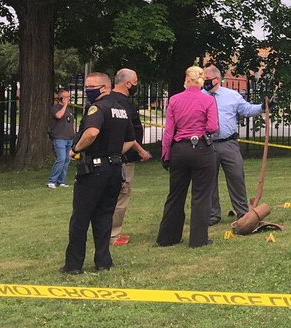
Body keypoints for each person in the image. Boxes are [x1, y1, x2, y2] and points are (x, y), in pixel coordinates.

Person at [61, 72, 137, 274]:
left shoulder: (97, 108)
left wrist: (76, 149)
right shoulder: (121, 109)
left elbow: (92, 132)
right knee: (104, 216)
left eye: (90, 86)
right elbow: (131, 140)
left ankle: (73, 265)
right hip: (114, 168)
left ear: (105, 87)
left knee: (81, 217)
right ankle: (103, 262)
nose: (87, 90)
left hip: (94, 169)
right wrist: (113, 153)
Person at [156, 66, 219, 248]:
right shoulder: (207, 101)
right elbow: (213, 127)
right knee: (201, 195)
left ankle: (168, 237)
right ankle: (198, 239)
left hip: (179, 149)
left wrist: (166, 154)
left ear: (186, 79)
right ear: (201, 80)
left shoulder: (175, 100)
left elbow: (168, 131)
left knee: (175, 194)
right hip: (201, 148)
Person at [203, 64, 266, 226]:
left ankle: (242, 212)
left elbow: (246, 109)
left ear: (217, 80)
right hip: (207, 144)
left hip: (229, 143)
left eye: (207, 79)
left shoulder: (232, 95)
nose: (205, 82)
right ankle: (213, 214)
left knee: (237, 177)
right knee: (209, 180)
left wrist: (262, 107)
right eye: (203, 79)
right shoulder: (200, 96)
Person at [108, 68, 153, 246]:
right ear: (127, 83)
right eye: (135, 82)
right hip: (123, 158)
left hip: (114, 156)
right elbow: (128, 133)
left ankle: (110, 232)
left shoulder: (108, 100)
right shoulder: (123, 104)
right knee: (122, 194)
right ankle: (112, 234)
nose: (136, 86)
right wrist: (140, 151)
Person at [47, 88, 76, 189]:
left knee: (67, 160)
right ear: (61, 98)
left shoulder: (69, 109)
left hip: (69, 138)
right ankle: (52, 180)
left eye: (69, 97)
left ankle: (61, 181)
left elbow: (72, 122)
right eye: (66, 97)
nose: (69, 99)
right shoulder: (55, 108)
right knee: (61, 158)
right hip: (59, 138)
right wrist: (64, 105)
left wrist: (74, 134)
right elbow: (58, 116)